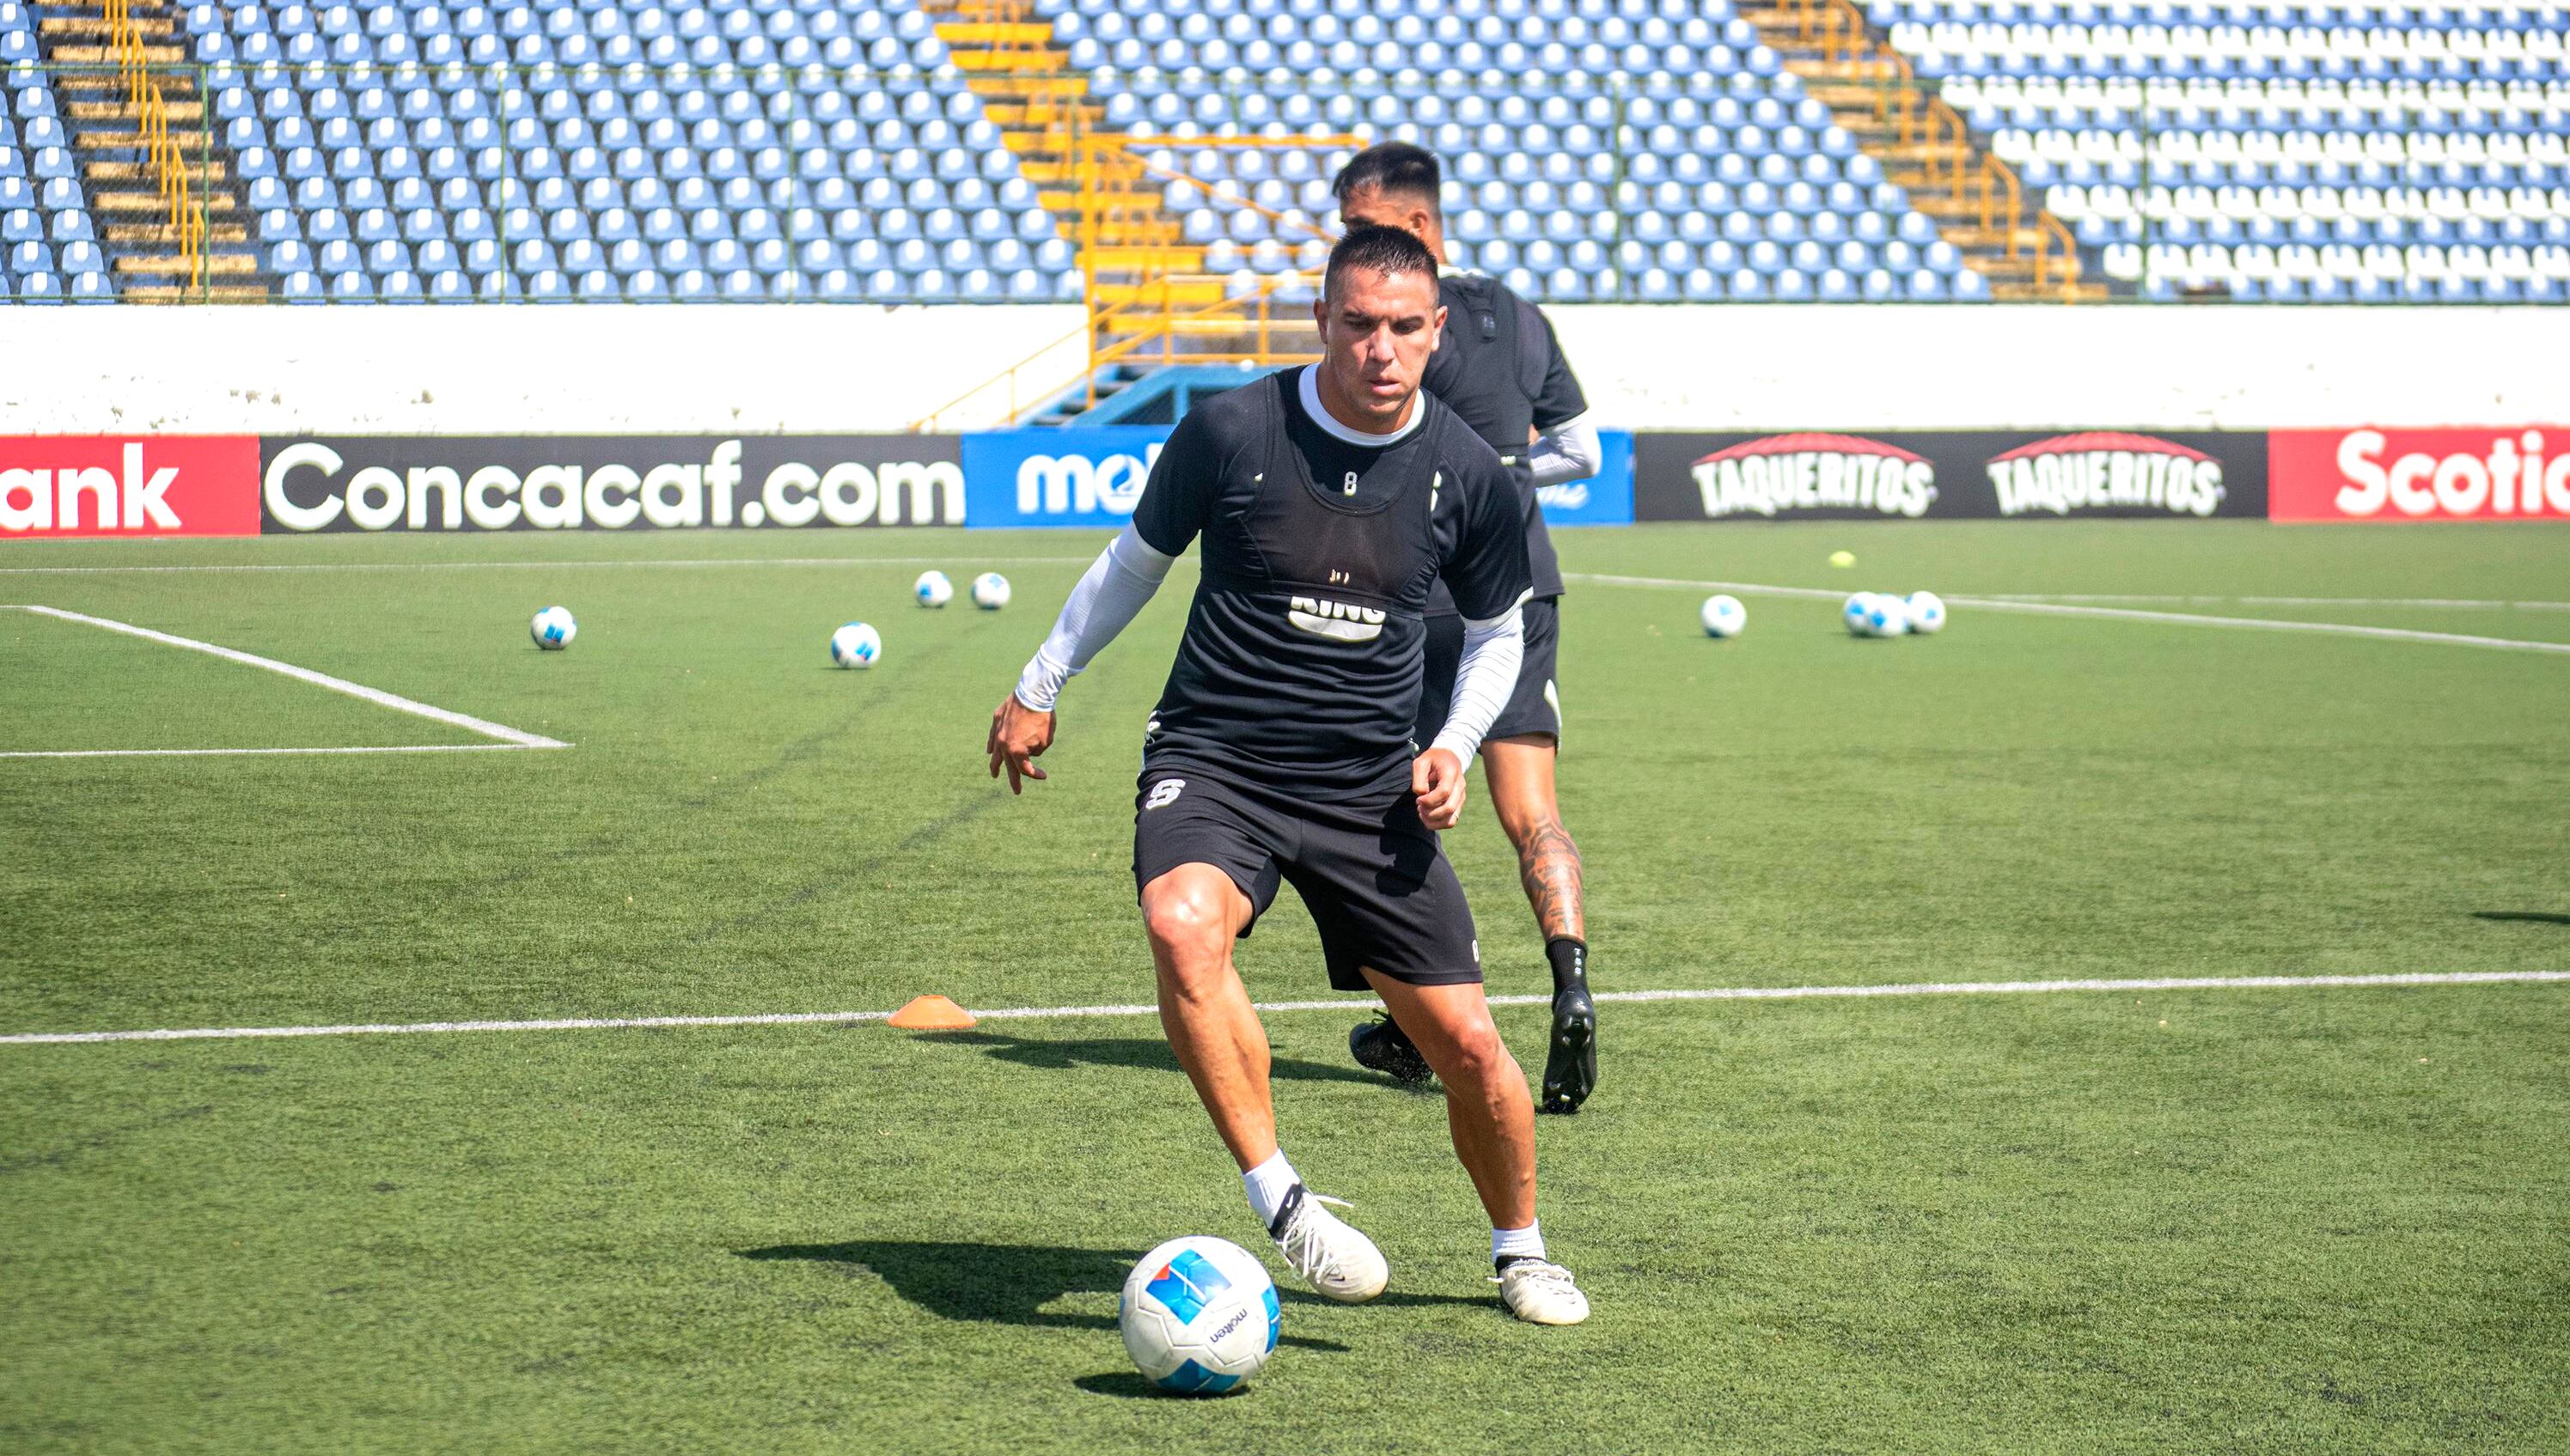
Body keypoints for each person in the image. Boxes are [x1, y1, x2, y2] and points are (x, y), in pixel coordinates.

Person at [985, 224, 1589, 1325]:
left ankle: (1522, 1250)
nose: (1380, 349)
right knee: (1180, 923)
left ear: (1436, 332)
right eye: (1357, 324)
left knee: (1466, 1046)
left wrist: (1451, 743)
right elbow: (1134, 566)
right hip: (1218, 760)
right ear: (1322, 320)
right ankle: (1288, 1205)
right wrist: (1040, 683)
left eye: (1405, 328)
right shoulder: (1230, 430)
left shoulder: (1468, 473)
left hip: (1370, 790)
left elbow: (1500, 634)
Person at [1331, 142, 1605, 1115]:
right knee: (1533, 812)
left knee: (1392, 802)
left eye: (1363, 227)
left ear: (1416, 229)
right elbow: (1580, 450)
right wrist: (1511, 475)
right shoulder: (1520, 315)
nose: (1350, 248)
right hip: (1524, 583)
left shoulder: (1392, 332)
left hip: (1418, 593)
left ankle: (1423, 1025)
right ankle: (1571, 979)